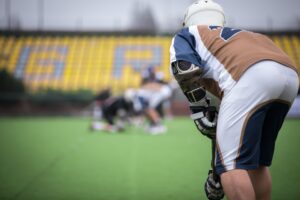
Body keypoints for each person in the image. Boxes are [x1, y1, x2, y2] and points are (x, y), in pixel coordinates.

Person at [169, 0, 299, 200]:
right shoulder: (241, 36)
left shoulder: (188, 34)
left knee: (231, 165)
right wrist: (215, 172)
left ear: (188, 21)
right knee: (255, 164)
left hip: (250, 76)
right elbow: (222, 124)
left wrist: (198, 109)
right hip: (289, 75)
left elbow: (184, 67)